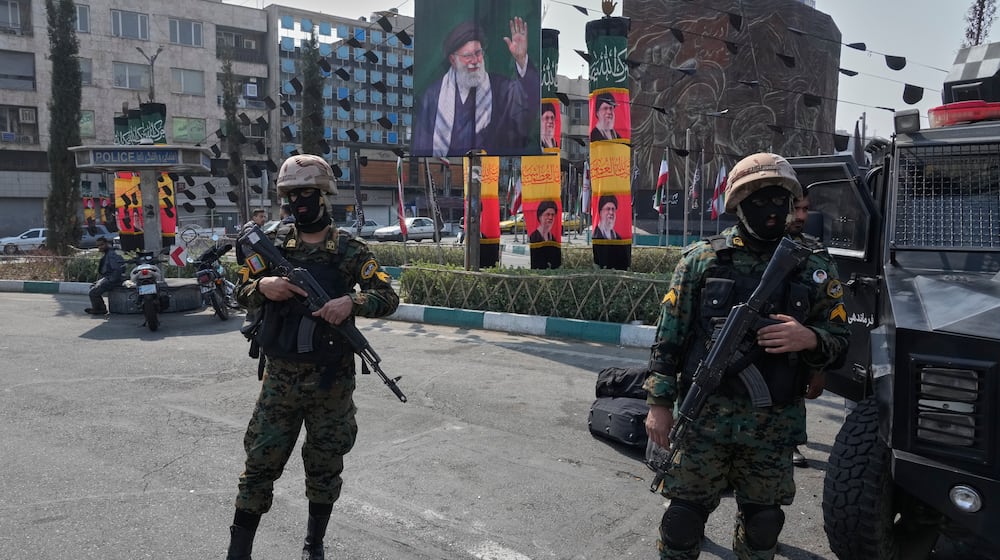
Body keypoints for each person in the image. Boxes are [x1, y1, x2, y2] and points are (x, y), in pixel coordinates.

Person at [643, 152, 849, 559]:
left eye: (778, 198)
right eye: (757, 198)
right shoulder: (702, 260)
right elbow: (668, 340)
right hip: (704, 423)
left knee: (763, 525)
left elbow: (841, 339)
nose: (770, 208)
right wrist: (658, 405)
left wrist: (809, 337)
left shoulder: (814, 267)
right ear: (737, 204)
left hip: (773, 428)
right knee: (681, 523)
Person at [225, 154, 399, 560]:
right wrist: (263, 284)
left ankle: (314, 544)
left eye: (307, 194)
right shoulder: (272, 244)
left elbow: (388, 296)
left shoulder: (350, 250)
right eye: (292, 196)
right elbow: (240, 289)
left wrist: (351, 302)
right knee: (259, 465)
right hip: (281, 379)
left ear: (324, 197)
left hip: (331, 382)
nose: (299, 203)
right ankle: (238, 552)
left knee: (325, 467)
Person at [412, 17, 541, 157]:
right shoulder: (433, 97)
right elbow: (422, 148)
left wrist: (521, 59)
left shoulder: (501, 88)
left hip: (492, 175)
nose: (475, 61)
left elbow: (528, 102)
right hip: (446, 175)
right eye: (467, 56)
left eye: (478, 53)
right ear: (452, 60)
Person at [786, 191, 827, 467]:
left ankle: (791, 442)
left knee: (792, 389)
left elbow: (825, 317)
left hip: (797, 346)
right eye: (795, 209)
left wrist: (820, 368)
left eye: (806, 209)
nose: (801, 216)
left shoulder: (814, 253)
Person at [85, 237, 125, 315]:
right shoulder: (109, 253)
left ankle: (99, 309)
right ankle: (99, 307)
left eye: (102, 245)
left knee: (93, 293)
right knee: (94, 286)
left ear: (107, 244)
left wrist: (110, 281)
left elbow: (116, 270)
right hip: (110, 278)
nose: (100, 247)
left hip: (114, 279)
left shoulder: (111, 254)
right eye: (98, 246)